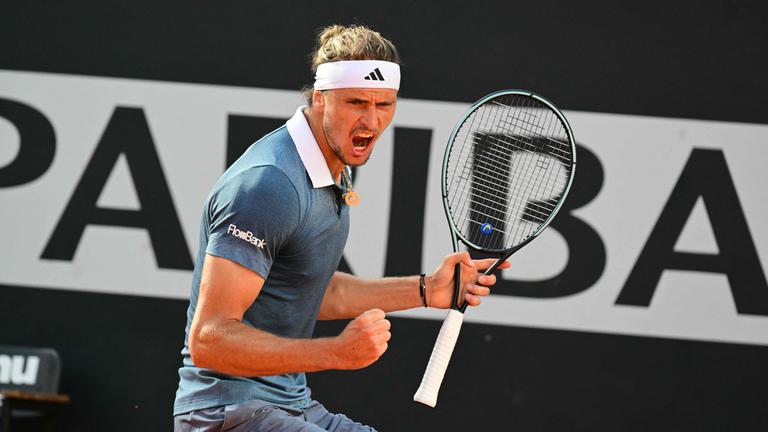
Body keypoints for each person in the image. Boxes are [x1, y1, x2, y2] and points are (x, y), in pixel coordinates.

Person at [173, 24, 509, 432]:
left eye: (384, 104)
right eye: (355, 102)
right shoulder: (270, 184)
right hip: (228, 414)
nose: (371, 119)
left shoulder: (329, 169)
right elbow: (209, 339)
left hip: (290, 406)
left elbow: (317, 289)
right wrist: (334, 352)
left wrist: (425, 290)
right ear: (321, 99)